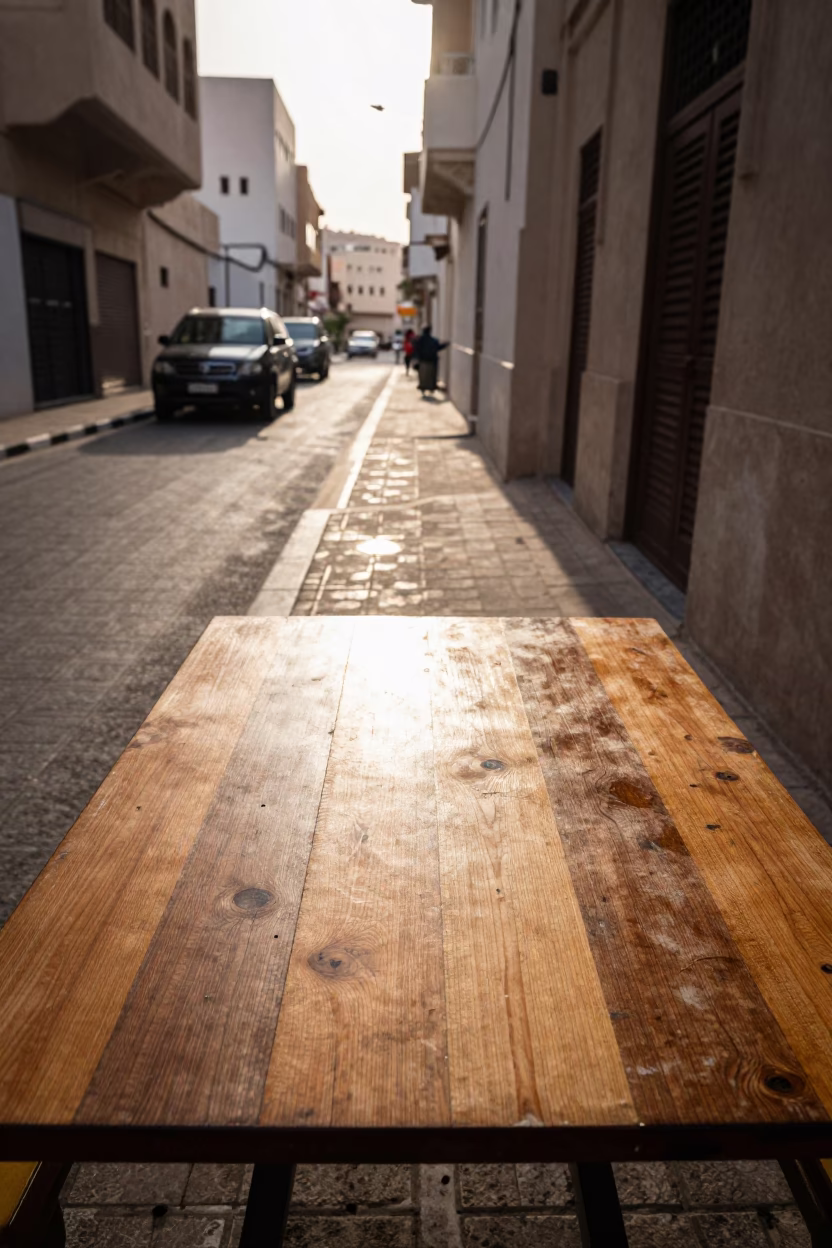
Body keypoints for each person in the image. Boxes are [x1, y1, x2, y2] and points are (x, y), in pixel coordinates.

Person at [413, 325, 448, 396]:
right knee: (431, 375)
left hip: (423, 361)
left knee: (423, 376)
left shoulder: (420, 340)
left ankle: (424, 387)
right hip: (431, 361)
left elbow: (416, 348)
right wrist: (445, 345)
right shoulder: (433, 340)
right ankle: (430, 387)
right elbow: (438, 347)